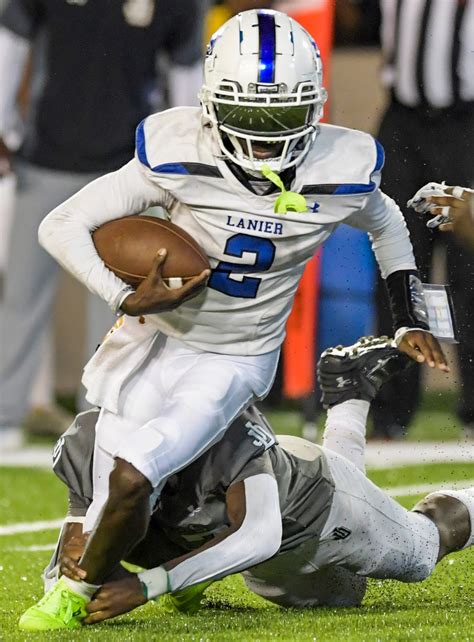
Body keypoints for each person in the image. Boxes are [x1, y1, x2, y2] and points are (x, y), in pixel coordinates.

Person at [19, 9, 448, 630]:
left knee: (137, 474)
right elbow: (60, 223)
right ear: (210, 106)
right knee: (115, 476)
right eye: (250, 116)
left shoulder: (340, 168)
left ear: (315, 105)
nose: (265, 137)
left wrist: (410, 314)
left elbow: (387, 224)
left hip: (235, 356)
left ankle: (75, 595)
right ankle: (121, 576)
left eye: (281, 116)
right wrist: (121, 296)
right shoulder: (177, 153)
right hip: (152, 341)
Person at [20, 336, 473, 628]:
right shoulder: (87, 439)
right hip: (254, 554)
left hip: (311, 508)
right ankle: (349, 392)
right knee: (342, 597)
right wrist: (78, 576)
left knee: (421, 549)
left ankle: (351, 399)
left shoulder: (219, 421)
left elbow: (260, 533)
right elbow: (77, 549)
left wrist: (146, 587)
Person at [0, 0, 206, 450]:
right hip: (46, 158)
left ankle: (104, 414)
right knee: (21, 296)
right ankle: (5, 415)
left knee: (122, 305)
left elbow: (187, 75)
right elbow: (10, 39)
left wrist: (185, 157)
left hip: (126, 173)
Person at [371, 0, 474, 439]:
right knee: (397, 267)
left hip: (466, 127)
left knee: (468, 271)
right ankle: (391, 414)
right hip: (404, 123)